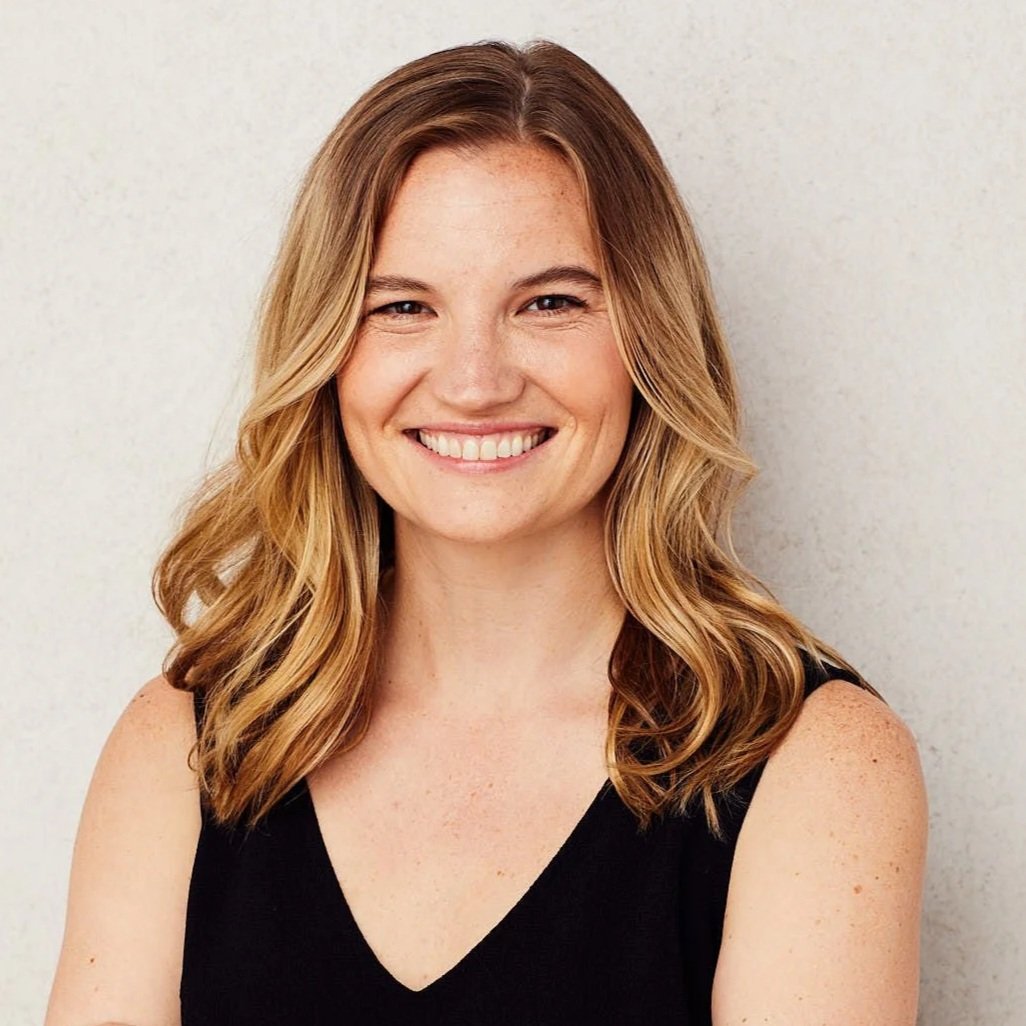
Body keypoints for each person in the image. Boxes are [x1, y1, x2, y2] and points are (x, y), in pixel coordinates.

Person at [45, 39, 928, 1026]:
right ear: (325, 352)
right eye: (402, 306)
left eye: (549, 303)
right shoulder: (186, 747)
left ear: (651, 339)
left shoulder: (814, 759)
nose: (474, 382)